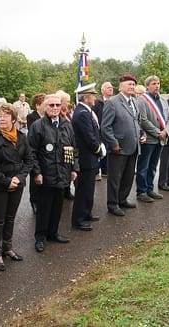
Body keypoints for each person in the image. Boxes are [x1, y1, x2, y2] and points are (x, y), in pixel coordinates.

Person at [0, 103, 33, 271]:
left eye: (5, 115)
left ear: (13, 118)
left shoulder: (21, 137)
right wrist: (6, 181)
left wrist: (19, 178)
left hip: (17, 183)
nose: (2, 119)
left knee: (11, 217)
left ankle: (7, 248)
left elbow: (29, 160)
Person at [28, 94, 78, 252]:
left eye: (57, 105)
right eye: (51, 105)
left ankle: (53, 233)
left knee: (58, 206)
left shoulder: (66, 124)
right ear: (45, 106)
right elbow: (31, 152)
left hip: (63, 173)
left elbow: (72, 148)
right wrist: (37, 173)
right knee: (44, 207)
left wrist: (73, 168)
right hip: (45, 174)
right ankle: (40, 237)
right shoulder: (37, 126)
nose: (55, 108)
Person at [101, 75, 145, 217]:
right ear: (120, 87)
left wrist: (142, 134)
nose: (131, 87)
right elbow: (105, 127)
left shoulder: (135, 102)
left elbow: (137, 121)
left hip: (133, 146)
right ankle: (113, 204)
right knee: (115, 178)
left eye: (133, 84)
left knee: (128, 177)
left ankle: (122, 199)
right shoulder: (112, 102)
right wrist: (113, 143)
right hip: (118, 148)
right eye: (128, 84)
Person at [71, 83, 105, 231]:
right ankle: (79, 219)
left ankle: (87, 213)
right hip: (85, 157)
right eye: (93, 95)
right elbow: (89, 137)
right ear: (85, 98)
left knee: (89, 188)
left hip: (90, 157)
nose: (95, 98)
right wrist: (99, 150)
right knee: (83, 189)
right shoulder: (82, 113)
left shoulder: (86, 111)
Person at [135, 75, 169, 203]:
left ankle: (150, 188)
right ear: (147, 86)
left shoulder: (163, 99)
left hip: (161, 139)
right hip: (149, 139)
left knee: (153, 166)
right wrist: (157, 132)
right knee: (143, 166)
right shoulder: (142, 100)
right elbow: (143, 120)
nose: (157, 86)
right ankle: (141, 191)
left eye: (158, 83)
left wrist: (165, 132)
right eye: (154, 83)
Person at [26, 93, 47, 214]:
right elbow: (33, 133)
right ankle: (34, 201)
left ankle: (42, 201)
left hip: (45, 152)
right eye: (45, 104)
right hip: (35, 150)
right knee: (35, 176)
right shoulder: (31, 117)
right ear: (38, 105)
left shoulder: (48, 116)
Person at [55, 89, 75, 200]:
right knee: (62, 168)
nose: (68, 103)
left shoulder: (67, 113)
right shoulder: (58, 114)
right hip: (61, 146)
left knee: (68, 167)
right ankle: (62, 189)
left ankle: (67, 188)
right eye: (66, 101)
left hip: (69, 146)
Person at [92, 81, 114, 179]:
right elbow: (93, 116)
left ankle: (106, 170)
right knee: (100, 151)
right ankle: (97, 172)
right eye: (108, 87)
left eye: (111, 87)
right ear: (103, 90)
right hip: (100, 131)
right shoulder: (97, 103)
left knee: (109, 151)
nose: (111, 89)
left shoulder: (115, 102)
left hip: (111, 131)